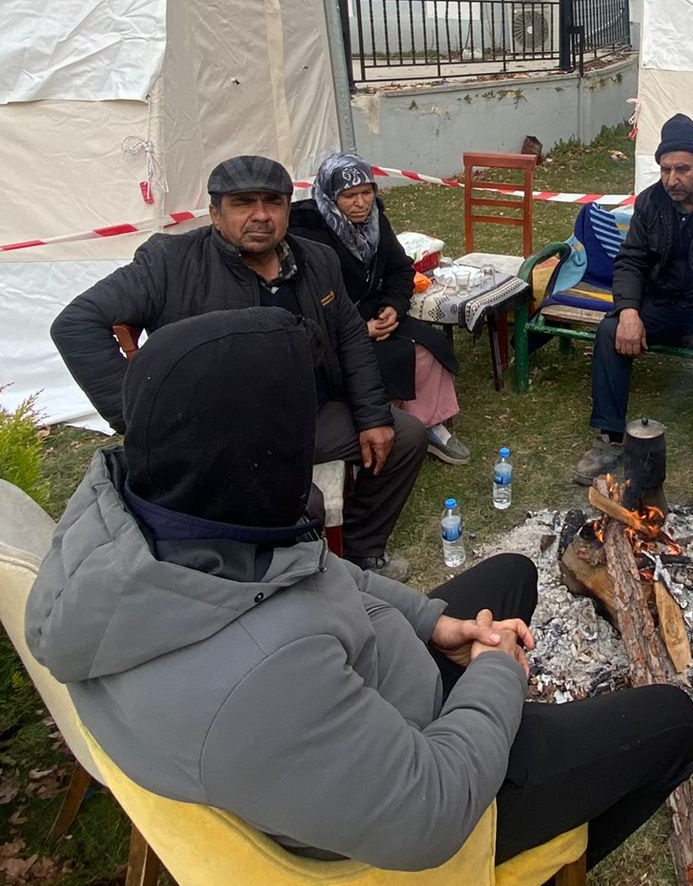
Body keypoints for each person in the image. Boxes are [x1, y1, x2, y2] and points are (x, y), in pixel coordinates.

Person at [26, 310, 693, 886]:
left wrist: (434, 626)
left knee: (513, 577)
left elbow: (308, 574)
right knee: (673, 725)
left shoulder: (146, 518)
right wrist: (495, 674)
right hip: (421, 791)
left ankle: (488, 697)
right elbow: (430, 810)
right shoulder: (258, 678)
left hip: (346, 708)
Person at [50, 154, 427, 581]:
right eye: (243, 203)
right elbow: (76, 324)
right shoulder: (170, 263)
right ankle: (299, 582)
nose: (261, 215)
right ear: (215, 212)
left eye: (273, 202)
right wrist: (140, 418)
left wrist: (373, 416)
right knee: (306, 505)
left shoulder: (317, 260)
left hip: (308, 413)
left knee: (405, 436)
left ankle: (360, 554)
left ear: (289, 207)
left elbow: (350, 338)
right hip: (224, 433)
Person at [574, 114, 693, 516]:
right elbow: (630, 261)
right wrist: (628, 310)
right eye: (665, 169)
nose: (672, 179)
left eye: (682, 169)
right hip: (664, 302)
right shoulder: (650, 202)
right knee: (610, 332)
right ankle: (610, 439)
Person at [289, 151, 472, 465]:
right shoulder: (307, 234)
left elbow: (401, 270)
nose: (361, 203)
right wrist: (359, 330)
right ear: (330, 196)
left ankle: (430, 427)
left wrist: (393, 306)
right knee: (392, 358)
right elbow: (306, 303)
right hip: (334, 331)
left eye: (367, 192)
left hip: (377, 314)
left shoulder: (375, 221)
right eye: (349, 196)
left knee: (431, 346)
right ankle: (391, 426)